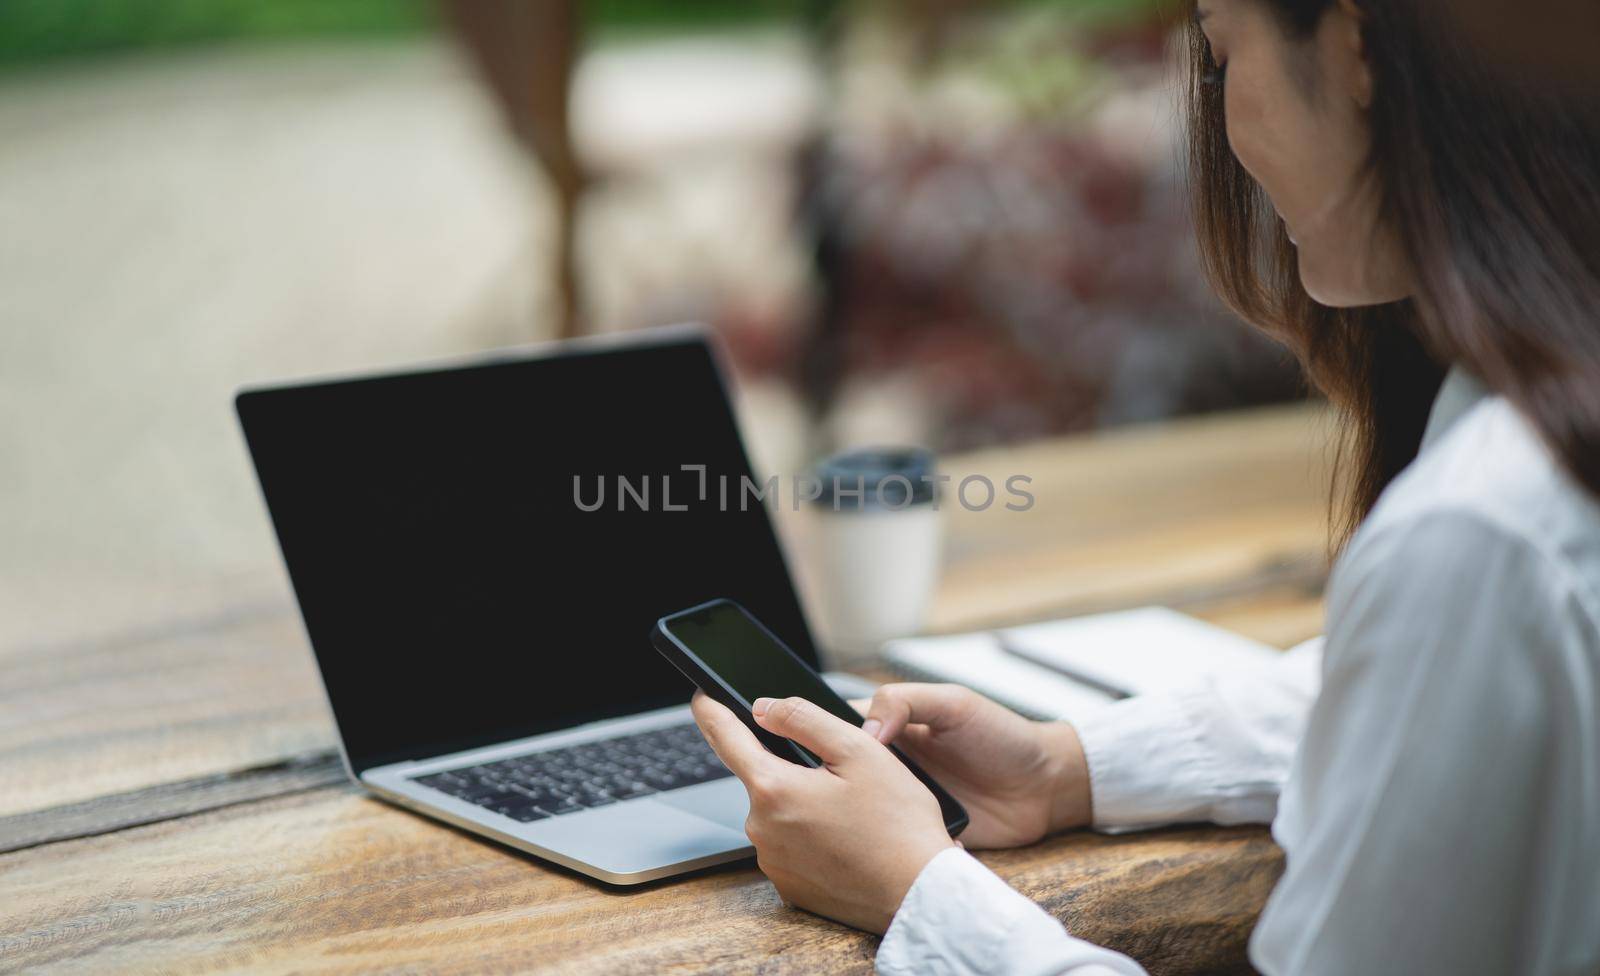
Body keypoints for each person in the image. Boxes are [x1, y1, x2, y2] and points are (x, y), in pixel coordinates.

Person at [690, 0, 1600, 972]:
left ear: (1353, 45)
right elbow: (1437, 701)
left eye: (1218, 53)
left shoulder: (1477, 533)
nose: (1225, 136)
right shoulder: (1521, 482)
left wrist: (916, 890)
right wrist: (1066, 766)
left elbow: (1461, 627)